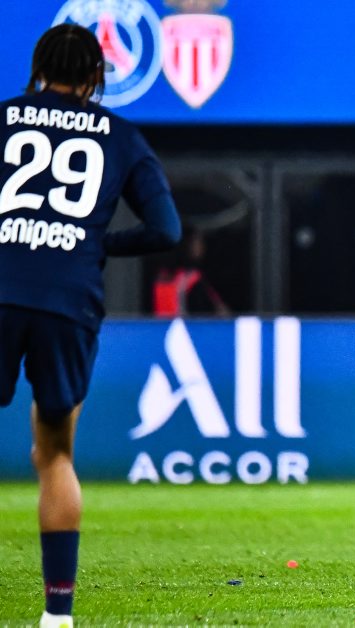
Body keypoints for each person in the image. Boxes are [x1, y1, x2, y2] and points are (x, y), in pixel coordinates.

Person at [0, 25, 181, 626]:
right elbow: (166, 230)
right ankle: (57, 615)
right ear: (97, 76)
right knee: (54, 453)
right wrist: (94, 243)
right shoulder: (120, 135)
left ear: (38, 68)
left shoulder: (5, 118)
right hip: (68, 299)